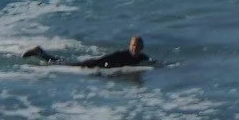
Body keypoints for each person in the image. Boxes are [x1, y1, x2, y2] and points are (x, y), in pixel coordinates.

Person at [23, 35, 153, 69]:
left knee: (62, 62)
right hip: (93, 63)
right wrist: (94, 69)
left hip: (98, 64)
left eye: (137, 46)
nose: (135, 48)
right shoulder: (121, 55)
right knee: (59, 63)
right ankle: (39, 52)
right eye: (133, 45)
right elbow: (104, 60)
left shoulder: (142, 57)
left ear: (142, 47)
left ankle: (40, 52)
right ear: (130, 46)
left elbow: (151, 63)